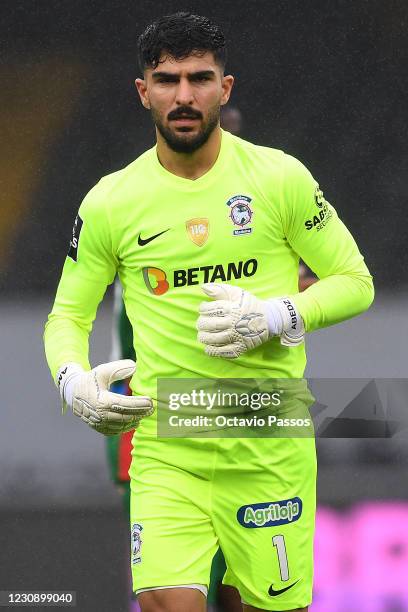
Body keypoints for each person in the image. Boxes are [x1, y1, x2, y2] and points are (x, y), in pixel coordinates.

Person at [44, 12, 374, 612]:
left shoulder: (280, 179)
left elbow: (355, 282)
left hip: (267, 433)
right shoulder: (111, 201)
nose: (185, 95)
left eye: (200, 78)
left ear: (225, 87)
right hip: (170, 443)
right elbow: (66, 315)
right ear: (144, 92)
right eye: (167, 80)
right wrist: (71, 382)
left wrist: (277, 317)